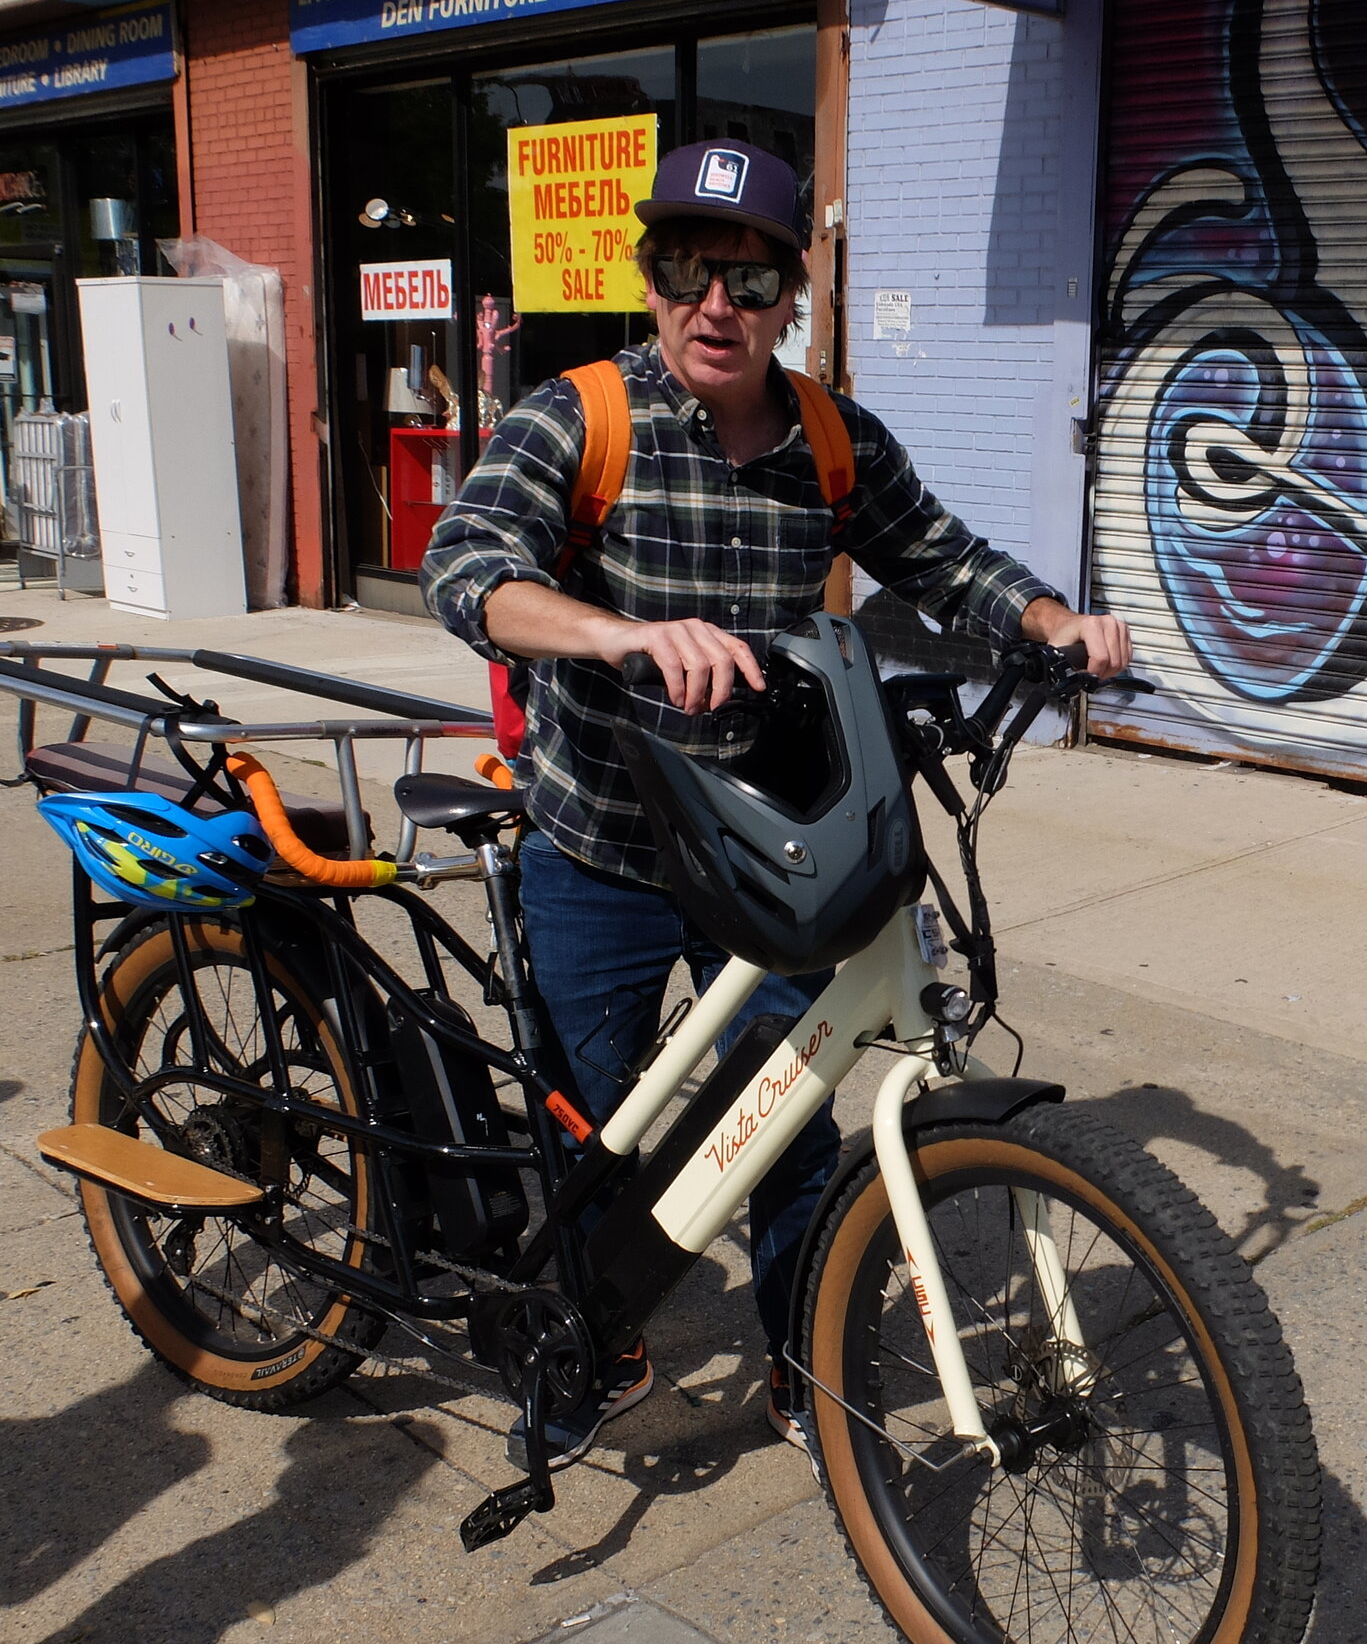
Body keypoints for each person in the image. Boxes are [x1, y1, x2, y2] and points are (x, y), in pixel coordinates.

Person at [421, 138, 1131, 1469]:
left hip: (768, 851)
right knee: (594, 1120)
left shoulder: (828, 437)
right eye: (691, 271)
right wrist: (617, 635)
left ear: (792, 297)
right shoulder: (581, 417)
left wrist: (1046, 617)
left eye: (750, 282)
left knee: (792, 1123)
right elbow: (467, 565)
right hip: (607, 843)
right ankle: (604, 1343)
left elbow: (935, 553)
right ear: (651, 279)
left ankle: (806, 1365)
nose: (718, 307)